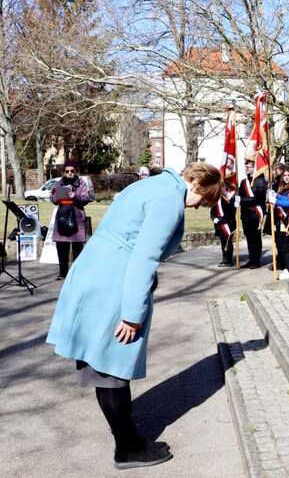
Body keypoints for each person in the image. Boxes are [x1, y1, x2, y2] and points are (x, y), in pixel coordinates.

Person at [46, 163, 223, 470]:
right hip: (114, 284)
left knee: (101, 364)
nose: (198, 207)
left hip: (93, 273)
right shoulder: (169, 199)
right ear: (194, 182)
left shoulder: (151, 185)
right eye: (203, 199)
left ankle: (130, 439)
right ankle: (126, 449)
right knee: (113, 368)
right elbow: (144, 258)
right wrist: (132, 315)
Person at [51, 161, 95, 280]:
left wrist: (74, 196)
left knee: (77, 248)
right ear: (64, 172)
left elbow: (86, 199)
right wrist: (56, 195)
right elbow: (54, 200)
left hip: (77, 218)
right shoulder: (59, 183)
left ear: (76, 171)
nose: (69, 173)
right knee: (61, 247)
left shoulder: (81, 183)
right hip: (62, 218)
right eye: (67, 171)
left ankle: (76, 275)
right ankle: (63, 273)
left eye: (72, 171)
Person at [266, 163, 289, 280]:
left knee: (287, 247)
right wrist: (273, 196)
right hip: (279, 221)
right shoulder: (281, 186)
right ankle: (285, 267)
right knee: (280, 245)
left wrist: (276, 200)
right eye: (285, 175)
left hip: (288, 220)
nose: (287, 177)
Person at [239, 156, 268, 269]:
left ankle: (256, 261)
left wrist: (241, 200)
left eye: (248, 165)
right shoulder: (243, 182)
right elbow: (240, 195)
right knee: (249, 238)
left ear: (255, 168)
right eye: (245, 165)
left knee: (255, 238)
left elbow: (257, 198)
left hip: (256, 214)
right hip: (245, 215)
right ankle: (251, 260)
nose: (246, 167)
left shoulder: (261, 181)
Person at [211, 178, 237, 267]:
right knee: (223, 242)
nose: (220, 188)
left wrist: (221, 219)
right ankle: (224, 259)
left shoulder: (230, 198)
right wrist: (213, 218)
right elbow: (212, 210)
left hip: (228, 223)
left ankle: (229, 260)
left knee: (228, 242)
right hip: (219, 224)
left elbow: (231, 212)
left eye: (222, 187)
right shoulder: (217, 197)